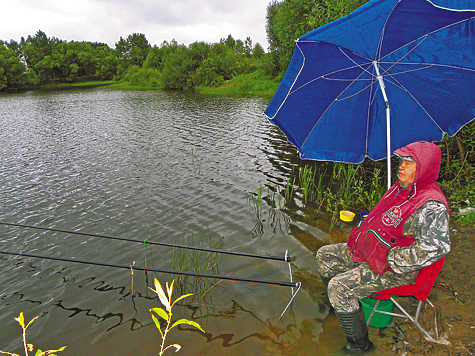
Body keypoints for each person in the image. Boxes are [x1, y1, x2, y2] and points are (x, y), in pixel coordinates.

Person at [315, 141, 450, 353]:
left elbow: (435, 248)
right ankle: (339, 308)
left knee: (338, 287)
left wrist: (391, 259)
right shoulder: (402, 188)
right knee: (326, 255)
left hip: (398, 269)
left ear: (425, 167)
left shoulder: (430, 206)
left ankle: (359, 346)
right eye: (401, 160)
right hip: (374, 253)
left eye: (409, 162)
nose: (401, 166)